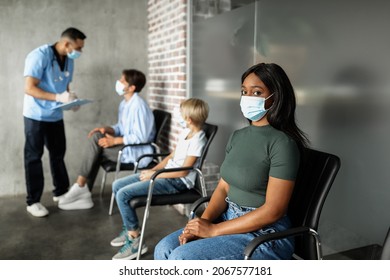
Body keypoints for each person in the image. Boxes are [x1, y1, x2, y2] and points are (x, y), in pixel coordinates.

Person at [154, 62, 309, 260]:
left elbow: (274, 210)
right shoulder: (238, 136)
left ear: (275, 97)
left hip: (265, 234)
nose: (247, 98)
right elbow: (223, 188)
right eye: (244, 91)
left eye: (256, 92)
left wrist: (213, 231)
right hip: (229, 217)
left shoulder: (283, 144)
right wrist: (202, 224)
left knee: (181, 258)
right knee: (164, 249)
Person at [109, 98, 209, 260]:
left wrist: (154, 175)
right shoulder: (186, 133)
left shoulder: (198, 139)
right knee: (117, 185)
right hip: (164, 174)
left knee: (122, 195)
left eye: (182, 115)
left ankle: (134, 242)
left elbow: (183, 172)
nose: (180, 118)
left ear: (189, 120)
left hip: (176, 182)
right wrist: (153, 169)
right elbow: (171, 156)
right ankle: (130, 229)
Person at [58, 69, 156, 211]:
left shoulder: (139, 105)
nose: (119, 82)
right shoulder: (125, 104)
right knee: (98, 137)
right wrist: (107, 129)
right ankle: (83, 191)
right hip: (127, 148)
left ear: (132, 87)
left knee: (97, 146)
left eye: (122, 81)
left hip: (137, 152)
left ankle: (81, 188)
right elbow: (121, 127)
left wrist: (114, 141)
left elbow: (141, 137)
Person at [23, 27, 86, 217]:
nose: (80, 52)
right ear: (67, 43)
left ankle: (61, 193)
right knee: (34, 157)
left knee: (58, 155)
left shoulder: (69, 60)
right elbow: (29, 89)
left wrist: (71, 100)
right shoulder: (39, 56)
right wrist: (59, 96)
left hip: (56, 115)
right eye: (78, 47)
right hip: (36, 115)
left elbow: (65, 86)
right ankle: (33, 201)